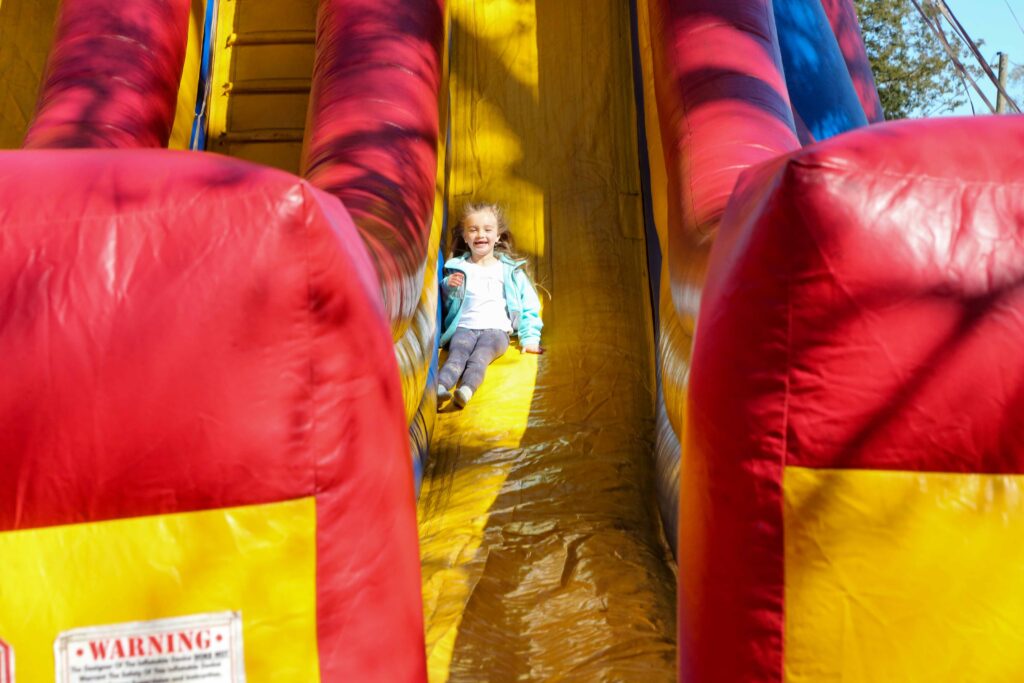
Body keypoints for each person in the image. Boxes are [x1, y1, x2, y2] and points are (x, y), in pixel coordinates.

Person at [438, 202, 543, 408]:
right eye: (473, 230)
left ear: (498, 236)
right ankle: (440, 388)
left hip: (496, 331)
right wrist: (447, 286)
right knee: (457, 355)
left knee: (480, 357)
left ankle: (466, 390)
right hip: (465, 327)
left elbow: (529, 303)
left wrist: (529, 338)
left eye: (487, 230)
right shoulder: (457, 267)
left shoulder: (509, 270)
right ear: (465, 236)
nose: (480, 235)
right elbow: (446, 303)